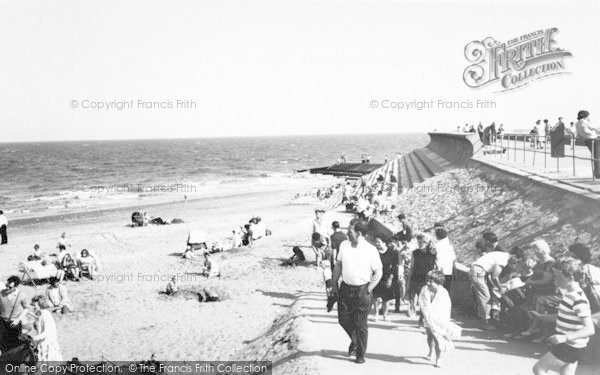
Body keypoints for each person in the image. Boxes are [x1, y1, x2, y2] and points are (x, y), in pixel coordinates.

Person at [532, 257, 595, 375]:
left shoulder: (577, 299)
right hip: (574, 345)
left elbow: (589, 329)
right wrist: (541, 317)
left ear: (570, 276)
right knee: (566, 372)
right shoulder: (569, 294)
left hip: (569, 345)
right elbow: (561, 316)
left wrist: (564, 338)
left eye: (557, 276)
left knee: (539, 369)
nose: (554, 280)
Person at [332, 219, 382, 364]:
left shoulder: (370, 249)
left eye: (350, 231)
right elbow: (339, 264)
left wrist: (369, 288)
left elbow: (378, 272)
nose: (347, 234)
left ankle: (360, 354)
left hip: (363, 290)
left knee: (360, 324)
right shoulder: (344, 245)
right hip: (345, 288)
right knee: (343, 319)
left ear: (359, 233)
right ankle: (355, 340)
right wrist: (334, 282)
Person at [418, 270, 458, 368]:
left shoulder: (443, 293)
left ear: (438, 282)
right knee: (429, 336)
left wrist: (439, 321)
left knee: (438, 339)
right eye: (427, 280)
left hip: (439, 319)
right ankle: (431, 351)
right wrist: (426, 316)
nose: (428, 283)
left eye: (431, 282)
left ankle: (438, 358)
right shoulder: (424, 289)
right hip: (427, 317)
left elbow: (446, 308)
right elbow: (421, 302)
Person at [470, 247, 512, 330]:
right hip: (479, 272)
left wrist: (495, 286)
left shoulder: (500, 254)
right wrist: (500, 288)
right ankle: (484, 323)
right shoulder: (504, 259)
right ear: (514, 256)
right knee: (486, 297)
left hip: (476, 270)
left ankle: (483, 319)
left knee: (482, 296)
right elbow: (494, 276)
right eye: (517, 261)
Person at [407, 233, 437, 321]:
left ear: (427, 242)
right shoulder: (415, 253)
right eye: (419, 242)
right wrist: (408, 282)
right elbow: (411, 268)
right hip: (415, 279)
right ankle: (415, 313)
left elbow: (438, 267)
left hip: (428, 281)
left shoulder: (433, 254)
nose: (420, 244)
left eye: (423, 242)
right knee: (416, 300)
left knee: (425, 302)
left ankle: (422, 321)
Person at [371, 238, 399, 322]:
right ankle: (376, 314)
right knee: (375, 297)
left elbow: (394, 267)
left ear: (384, 242)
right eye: (375, 242)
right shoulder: (374, 252)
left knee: (386, 298)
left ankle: (385, 315)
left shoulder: (392, 253)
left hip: (387, 277)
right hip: (376, 276)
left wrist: (390, 278)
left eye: (378, 242)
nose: (377, 244)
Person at [27, 295, 62, 361]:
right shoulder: (40, 314)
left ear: (40, 304)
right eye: (33, 305)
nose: (33, 307)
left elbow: (47, 332)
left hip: (48, 345)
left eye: (35, 305)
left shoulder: (46, 315)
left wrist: (35, 338)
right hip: (42, 344)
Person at [0, 276, 29, 352]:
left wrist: (18, 319)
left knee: (13, 345)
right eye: (7, 286)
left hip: (14, 323)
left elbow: (26, 308)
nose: (7, 288)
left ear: (16, 287)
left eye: (10, 287)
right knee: (2, 343)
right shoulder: (1, 293)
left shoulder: (22, 295)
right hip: (2, 322)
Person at [575, 110, 600, 179]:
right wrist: (589, 121)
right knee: (597, 157)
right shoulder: (585, 122)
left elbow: (579, 134)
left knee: (595, 156)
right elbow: (596, 128)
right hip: (594, 139)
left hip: (587, 140)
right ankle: (598, 174)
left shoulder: (577, 123)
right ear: (586, 115)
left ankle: (597, 173)